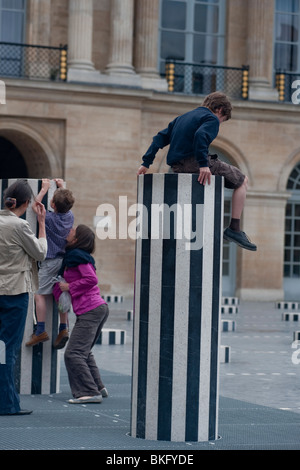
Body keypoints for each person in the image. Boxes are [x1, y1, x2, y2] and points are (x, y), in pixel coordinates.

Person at [137, 91, 256, 251]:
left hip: (177, 166)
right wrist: (203, 164)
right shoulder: (211, 118)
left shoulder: (182, 118)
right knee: (242, 181)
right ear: (220, 110)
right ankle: (234, 228)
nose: (219, 123)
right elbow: (201, 135)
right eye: (223, 120)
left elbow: (159, 138)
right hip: (194, 162)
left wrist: (146, 162)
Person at [0, 180, 47, 415]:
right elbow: (40, 252)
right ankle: (7, 404)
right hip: (14, 293)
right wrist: (41, 223)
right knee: (8, 348)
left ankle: (8, 401)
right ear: (26, 203)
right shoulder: (19, 226)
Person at [53, 224, 109, 404]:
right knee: (84, 352)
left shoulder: (78, 257)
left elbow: (92, 279)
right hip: (95, 308)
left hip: (91, 309)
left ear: (76, 239)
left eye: (72, 231)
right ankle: (98, 387)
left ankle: (89, 392)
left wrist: (70, 287)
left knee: (73, 354)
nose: (68, 231)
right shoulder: (77, 257)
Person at [26, 178, 75, 349]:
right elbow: (66, 202)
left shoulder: (50, 219)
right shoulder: (70, 216)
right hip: (64, 262)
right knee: (60, 293)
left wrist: (44, 189)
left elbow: (35, 206)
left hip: (49, 262)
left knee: (39, 294)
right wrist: (62, 187)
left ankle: (40, 330)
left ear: (52, 204)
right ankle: (63, 327)